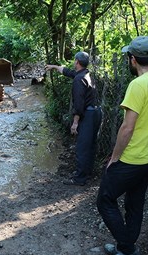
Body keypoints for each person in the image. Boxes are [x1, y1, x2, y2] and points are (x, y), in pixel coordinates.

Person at [96, 36, 148, 255]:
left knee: (105, 199)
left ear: (132, 59)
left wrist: (115, 158)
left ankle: (128, 252)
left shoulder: (138, 85)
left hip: (133, 157)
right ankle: (124, 246)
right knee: (134, 202)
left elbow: (127, 127)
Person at [46, 51, 102, 186]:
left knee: (82, 147)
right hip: (96, 112)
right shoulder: (86, 74)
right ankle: (87, 173)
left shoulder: (78, 80)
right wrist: (54, 67)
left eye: (74, 61)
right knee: (91, 145)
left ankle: (80, 179)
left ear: (77, 61)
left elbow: (79, 104)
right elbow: (67, 72)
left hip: (87, 115)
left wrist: (75, 123)